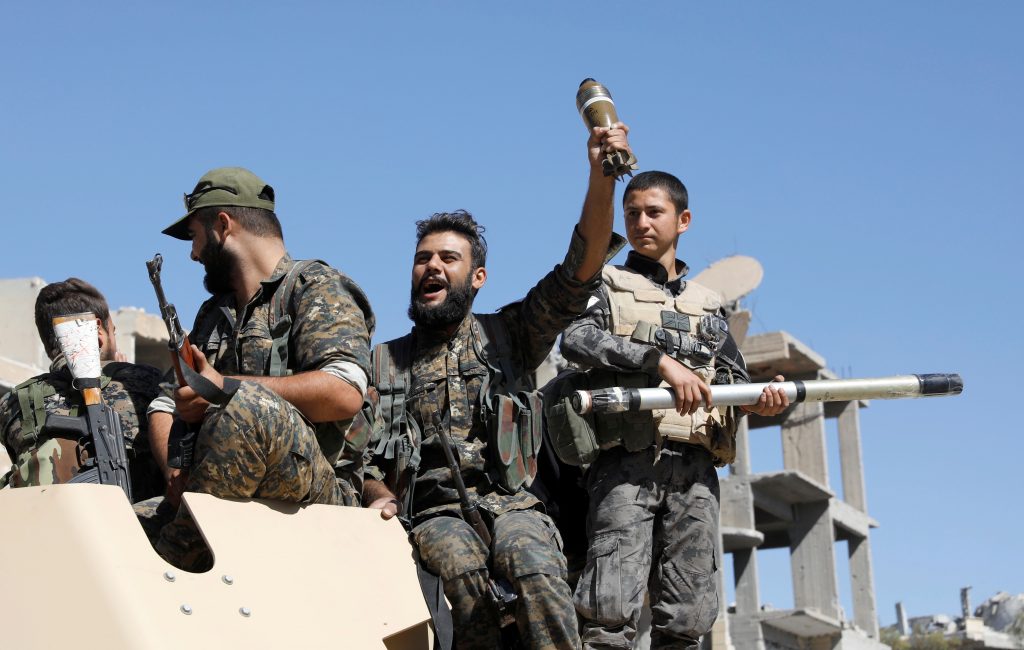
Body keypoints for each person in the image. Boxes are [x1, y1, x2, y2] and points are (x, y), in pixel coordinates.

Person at [362, 123, 632, 649]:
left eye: (447, 259)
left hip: (515, 506)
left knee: (535, 568)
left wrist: (602, 178)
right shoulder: (383, 362)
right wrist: (377, 496)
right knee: (461, 571)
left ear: (477, 276)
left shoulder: (508, 335)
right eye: (422, 259)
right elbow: (364, 461)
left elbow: (579, 270)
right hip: (432, 515)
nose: (432, 267)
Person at [559, 171, 790, 649]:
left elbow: (733, 381)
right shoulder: (608, 283)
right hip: (627, 464)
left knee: (688, 616)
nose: (641, 222)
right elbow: (577, 338)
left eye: (654, 212)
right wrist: (658, 362)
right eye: (632, 214)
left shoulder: (708, 306)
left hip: (695, 471)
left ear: (683, 220)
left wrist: (762, 399)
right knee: (609, 611)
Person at [148, 166, 375, 570]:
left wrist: (224, 387)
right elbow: (164, 405)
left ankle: (175, 563)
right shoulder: (213, 314)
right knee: (114, 525)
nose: (193, 253)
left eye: (195, 237)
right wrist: (175, 472)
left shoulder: (315, 287)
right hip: (218, 484)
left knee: (244, 407)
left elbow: (344, 393)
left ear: (223, 226)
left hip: (315, 490)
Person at [0, 278, 164, 500]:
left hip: (51, 525)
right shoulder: (148, 381)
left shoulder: (13, 402)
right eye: (113, 331)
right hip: (140, 527)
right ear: (98, 331)